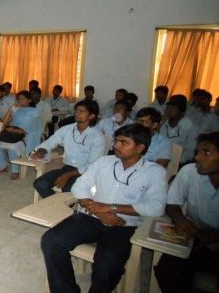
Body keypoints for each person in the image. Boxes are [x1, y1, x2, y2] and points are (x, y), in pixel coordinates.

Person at [41, 124, 167, 293]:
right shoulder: (104, 162)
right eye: (116, 141)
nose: (116, 145)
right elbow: (79, 187)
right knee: (51, 240)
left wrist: (109, 208)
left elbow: (156, 207)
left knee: (107, 265)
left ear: (140, 147)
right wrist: (98, 211)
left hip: (123, 225)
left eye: (124, 142)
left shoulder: (155, 172)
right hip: (91, 217)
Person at [154, 132, 219, 293]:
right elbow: (172, 203)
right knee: (166, 271)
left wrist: (214, 235)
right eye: (198, 152)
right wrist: (181, 220)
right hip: (194, 235)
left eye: (207, 152)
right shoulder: (190, 171)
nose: (198, 157)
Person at [32, 100, 105, 198]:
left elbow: (92, 166)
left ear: (92, 116)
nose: (77, 113)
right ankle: (59, 207)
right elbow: (50, 142)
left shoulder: (97, 136)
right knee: (39, 183)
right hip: (67, 168)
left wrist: (67, 176)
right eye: (76, 111)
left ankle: (61, 208)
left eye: (82, 111)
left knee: (68, 191)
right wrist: (41, 151)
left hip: (86, 172)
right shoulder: (67, 129)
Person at [0, 90, 42, 179]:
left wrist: (14, 130)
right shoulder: (17, 110)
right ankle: (2, 166)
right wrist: (10, 110)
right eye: (18, 99)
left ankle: (15, 171)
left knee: (13, 147)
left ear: (29, 100)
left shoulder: (34, 112)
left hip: (27, 137)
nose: (20, 101)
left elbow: (32, 128)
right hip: (14, 135)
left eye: (22, 99)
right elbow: (3, 123)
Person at [159, 95, 200, 165]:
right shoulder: (163, 124)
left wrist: (176, 161)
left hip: (180, 162)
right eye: (167, 108)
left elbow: (191, 150)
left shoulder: (191, 127)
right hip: (161, 159)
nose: (168, 111)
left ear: (182, 112)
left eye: (173, 109)